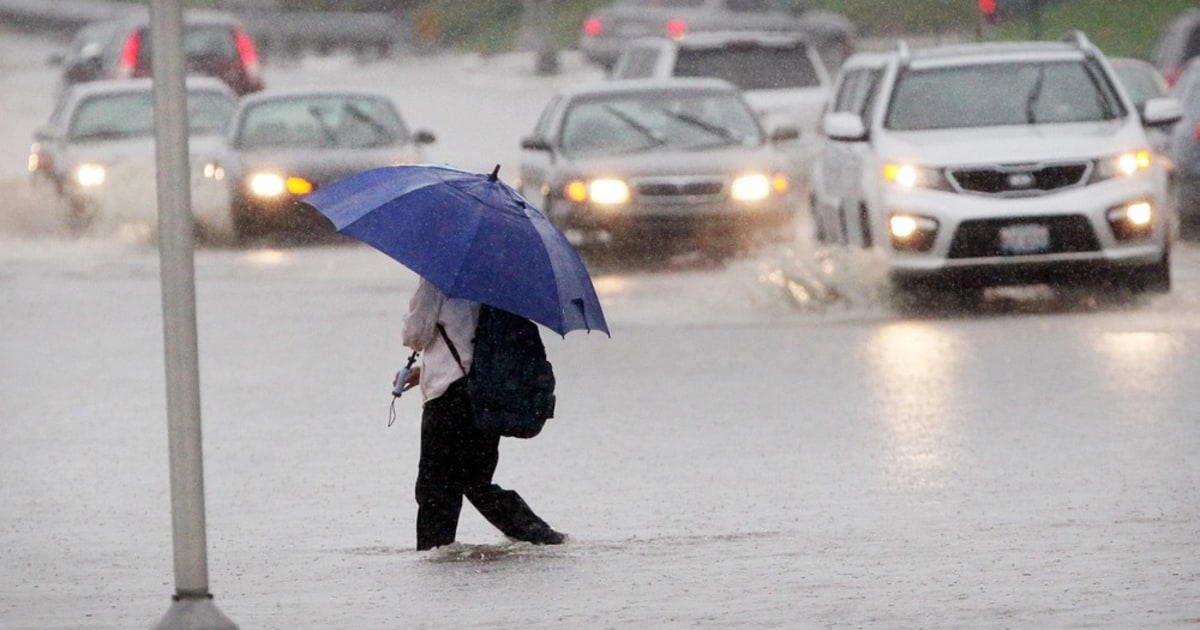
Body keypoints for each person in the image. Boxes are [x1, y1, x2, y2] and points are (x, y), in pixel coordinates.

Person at [399, 277, 566, 551]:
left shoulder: (437, 278)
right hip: (485, 396)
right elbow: (476, 343)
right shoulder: (497, 283)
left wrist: (415, 313)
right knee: (476, 480)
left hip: (448, 397)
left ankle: (433, 560)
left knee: (434, 487)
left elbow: (415, 335)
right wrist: (424, 371)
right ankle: (539, 535)